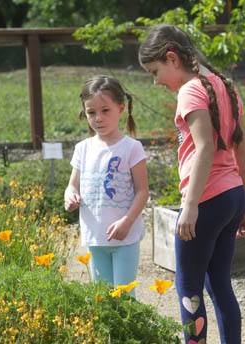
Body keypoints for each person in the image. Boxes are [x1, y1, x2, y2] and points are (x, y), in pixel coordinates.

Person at [139, 24, 245, 344]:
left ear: (172, 57)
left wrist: (188, 207)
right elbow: (242, 151)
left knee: (189, 288)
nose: (156, 81)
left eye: (155, 71)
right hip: (231, 197)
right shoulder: (226, 85)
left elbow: (204, 147)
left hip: (206, 199)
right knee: (220, 286)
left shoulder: (190, 90)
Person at [64, 75, 149, 296]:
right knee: (101, 298)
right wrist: (70, 195)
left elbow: (142, 191)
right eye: (91, 113)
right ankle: (108, 333)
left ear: (121, 109)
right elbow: (72, 185)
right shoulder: (82, 148)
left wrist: (127, 222)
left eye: (105, 111)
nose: (98, 118)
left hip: (124, 236)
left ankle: (127, 333)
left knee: (123, 296)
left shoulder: (131, 147)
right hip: (95, 235)